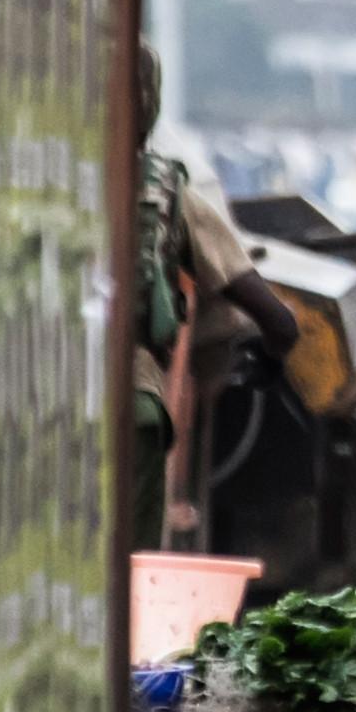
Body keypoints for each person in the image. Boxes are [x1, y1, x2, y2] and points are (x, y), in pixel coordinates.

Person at [129, 42, 299, 552]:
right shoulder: (165, 191)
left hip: (30, 413)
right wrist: (268, 358)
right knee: (127, 574)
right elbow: (279, 322)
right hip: (131, 412)